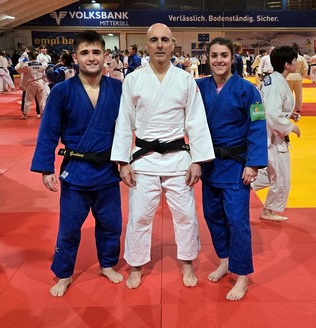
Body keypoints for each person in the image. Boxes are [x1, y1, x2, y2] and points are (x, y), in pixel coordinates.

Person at [111, 23, 214, 290]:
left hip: (178, 157)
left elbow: (196, 121)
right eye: (154, 40)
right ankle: (136, 264)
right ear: (146, 45)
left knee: (186, 215)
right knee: (140, 216)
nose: (159, 45)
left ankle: (187, 261)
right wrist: (123, 161)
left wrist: (197, 160)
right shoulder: (133, 79)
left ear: (172, 45)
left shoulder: (184, 79)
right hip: (143, 158)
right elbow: (123, 122)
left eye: (165, 40)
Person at [30, 30, 125, 297]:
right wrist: (46, 168)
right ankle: (63, 273)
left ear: (106, 56)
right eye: (85, 52)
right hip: (76, 172)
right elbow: (48, 131)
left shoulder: (118, 88)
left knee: (111, 224)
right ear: (75, 57)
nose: (91, 58)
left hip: (107, 171)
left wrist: (129, 161)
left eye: (96, 52)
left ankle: (107, 264)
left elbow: (130, 127)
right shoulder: (61, 91)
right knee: (69, 227)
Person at [197, 37, 267, 301]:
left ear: (233, 57)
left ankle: (241, 276)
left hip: (237, 166)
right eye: (214, 55)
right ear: (207, 58)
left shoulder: (249, 90)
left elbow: (258, 126)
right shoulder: (198, 87)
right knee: (213, 216)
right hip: (209, 164)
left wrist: (253, 162)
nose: (219, 60)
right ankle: (225, 260)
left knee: (237, 221)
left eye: (224, 55)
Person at [251, 46, 301, 222]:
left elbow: (266, 108)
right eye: (295, 60)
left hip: (267, 134)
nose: (298, 63)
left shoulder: (271, 80)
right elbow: (271, 114)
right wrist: (290, 127)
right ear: (287, 64)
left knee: (270, 173)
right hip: (272, 137)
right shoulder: (277, 82)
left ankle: (239, 190)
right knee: (280, 175)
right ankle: (268, 210)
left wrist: (288, 115)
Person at [15, 51, 49, 119]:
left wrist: (21, 61)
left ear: (29, 57)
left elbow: (17, 69)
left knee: (28, 100)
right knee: (41, 100)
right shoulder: (41, 64)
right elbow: (46, 68)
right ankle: (43, 114)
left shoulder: (27, 64)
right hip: (40, 82)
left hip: (31, 83)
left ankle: (25, 114)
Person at [286, 44, 307, 114]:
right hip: (298, 76)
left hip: (288, 77)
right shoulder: (301, 58)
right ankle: (298, 108)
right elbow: (306, 68)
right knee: (299, 94)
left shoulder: (288, 58)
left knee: (288, 94)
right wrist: (303, 75)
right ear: (298, 50)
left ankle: (288, 108)